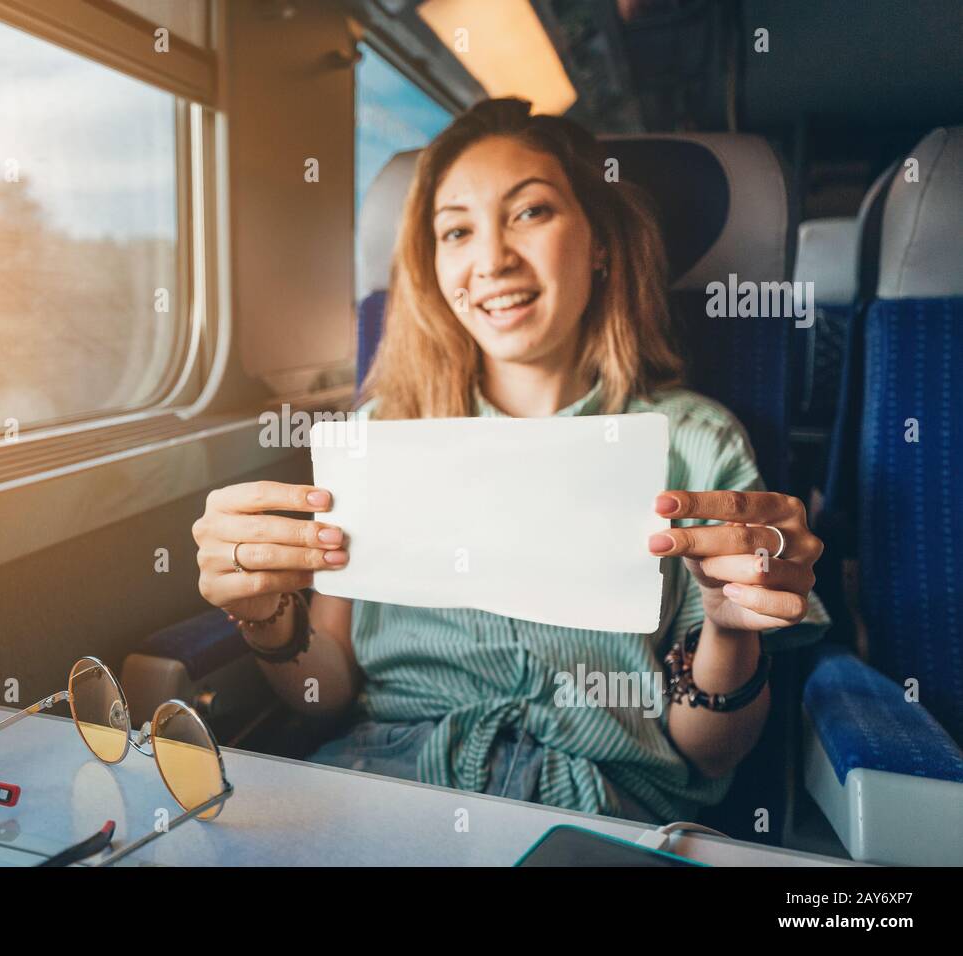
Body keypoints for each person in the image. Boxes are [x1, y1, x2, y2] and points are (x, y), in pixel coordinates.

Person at [192, 98, 828, 824]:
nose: (491, 259)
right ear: (434, 270)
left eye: (530, 213)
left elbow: (710, 753)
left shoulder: (696, 441)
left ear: (598, 243)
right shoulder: (380, 437)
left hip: (604, 805)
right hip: (390, 781)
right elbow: (327, 690)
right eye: (456, 230)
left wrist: (729, 626)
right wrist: (266, 616)